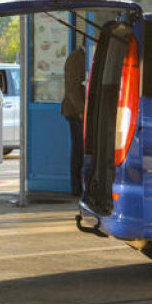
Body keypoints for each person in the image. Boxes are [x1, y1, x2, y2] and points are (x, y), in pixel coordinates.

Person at [61, 42, 87, 197]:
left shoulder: (84, 57)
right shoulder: (76, 58)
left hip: (81, 111)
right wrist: (81, 110)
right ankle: (76, 188)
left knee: (82, 150)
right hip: (76, 113)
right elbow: (72, 89)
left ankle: (81, 186)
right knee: (78, 150)